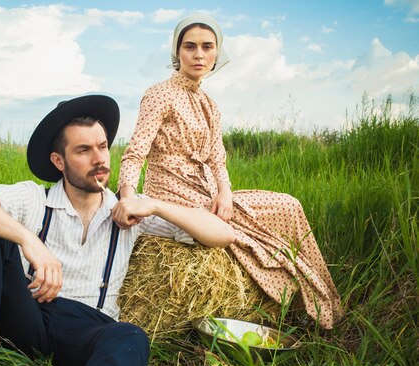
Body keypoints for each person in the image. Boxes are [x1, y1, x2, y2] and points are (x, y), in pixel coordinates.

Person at [0, 94, 235, 366]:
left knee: (131, 338)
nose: (99, 159)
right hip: (26, 313)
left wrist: (155, 205)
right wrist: (28, 240)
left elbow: (223, 234)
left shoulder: (129, 212)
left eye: (102, 146)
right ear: (59, 161)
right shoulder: (34, 198)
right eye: (83, 150)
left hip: (84, 328)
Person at [116, 14, 342, 330]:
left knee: (288, 205)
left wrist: (225, 193)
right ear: (177, 52)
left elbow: (218, 160)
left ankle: (318, 303)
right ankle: (302, 305)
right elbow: (135, 152)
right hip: (173, 194)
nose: (198, 54)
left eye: (207, 47)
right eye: (190, 46)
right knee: (250, 233)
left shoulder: (209, 103)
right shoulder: (159, 93)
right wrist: (128, 198)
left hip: (208, 191)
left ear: (216, 53)